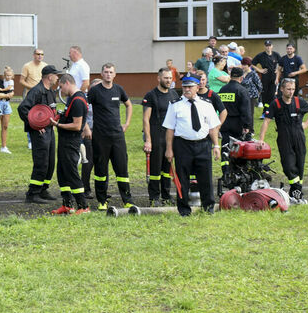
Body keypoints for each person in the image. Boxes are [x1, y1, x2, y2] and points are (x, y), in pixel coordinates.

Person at [163, 75, 221, 216]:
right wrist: (169, 149)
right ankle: (184, 210)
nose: (187, 89)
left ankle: (208, 207)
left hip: (203, 144)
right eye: (184, 87)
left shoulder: (207, 104)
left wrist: (216, 146)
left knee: (206, 178)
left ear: (197, 87)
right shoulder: (175, 105)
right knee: (182, 179)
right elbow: (170, 129)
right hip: (183, 145)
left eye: (190, 87)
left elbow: (213, 127)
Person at [259, 78, 308, 204]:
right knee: (288, 166)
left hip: (299, 137)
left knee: (300, 166)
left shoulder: (298, 101)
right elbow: (266, 122)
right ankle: (297, 192)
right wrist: (261, 140)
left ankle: (296, 194)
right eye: (288, 89)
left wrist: (306, 124)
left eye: (293, 89)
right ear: (281, 89)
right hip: (284, 138)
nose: (291, 92)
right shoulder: (275, 104)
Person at [86, 63, 134, 208]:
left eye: (110, 72)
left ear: (114, 74)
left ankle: (127, 200)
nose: (108, 74)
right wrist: (87, 127)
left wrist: (126, 124)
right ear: (101, 74)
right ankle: (102, 201)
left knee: (122, 169)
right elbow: (84, 108)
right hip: (100, 136)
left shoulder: (119, 89)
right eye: (106, 72)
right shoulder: (95, 91)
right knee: (101, 170)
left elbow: (129, 105)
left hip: (117, 136)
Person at [18, 64, 60, 203]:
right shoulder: (36, 91)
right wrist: (34, 125)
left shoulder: (49, 91)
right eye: (56, 75)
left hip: (49, 131)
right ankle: (33, 193)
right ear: (49, 76)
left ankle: (43, 189)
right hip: (39, 133)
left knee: (50, 162)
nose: (57, 77)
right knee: (41, 162)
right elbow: (23, 108)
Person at [50, 73, 90, 214]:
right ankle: (67, 205)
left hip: (71, 142)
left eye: (61, 87)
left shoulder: (78, 100)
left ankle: (83, 206)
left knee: (71, 173)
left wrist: (58, 124)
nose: (60, 90)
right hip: (64, 141)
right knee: (62, 172)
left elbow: (77, 126)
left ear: (67, 83)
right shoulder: (71, 99)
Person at [141, 67, 179, 207]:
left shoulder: (174, 94)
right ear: (159, 78)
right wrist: (148, 140)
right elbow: (146, 119)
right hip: (156, 135)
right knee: (155, 170)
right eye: (165, 78)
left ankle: (166, 195)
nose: (168, 80)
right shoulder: (151, 95)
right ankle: (154, 197)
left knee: (167, 169)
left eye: (170, 78)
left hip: (170, 136)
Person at [217, 67, 254, 176]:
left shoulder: (222, 89)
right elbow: (246, 111)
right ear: (241, 78)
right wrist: (247, 126)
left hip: (224, 123)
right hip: (237, 124)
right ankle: (236, 172)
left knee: (225, 148)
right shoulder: (242, 90)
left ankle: (225, 172)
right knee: (237, 149)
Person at [252, 40, 281, 112]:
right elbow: (252, 64)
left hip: (273, 77)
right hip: (265, 77)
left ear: (272, 46)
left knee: (272, 95)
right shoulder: (260, 55)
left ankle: (269, 110)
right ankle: (266, 110)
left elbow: (281, 65)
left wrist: (277, 74)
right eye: (267, 46)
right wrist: (259, 70)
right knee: (265, 95)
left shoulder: (276, 54)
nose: (268, 47)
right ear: (265, 46)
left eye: (269, 45)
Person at [240, 57, 262, 125]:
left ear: (249, 65)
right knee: (242, 112)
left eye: (245, 65)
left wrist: (257, 94)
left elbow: (259, 86)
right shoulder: (241, 73)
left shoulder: (253, 74)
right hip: (242, 95)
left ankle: (250, 130)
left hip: (251, 96)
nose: (243, 66)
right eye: (242, 64)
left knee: (249, 113)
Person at [0, 66, 15, 153]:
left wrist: (2, 90)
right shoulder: (2, 81)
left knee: (5, 126)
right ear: (4, 75)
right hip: (0, 103)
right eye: (6, 75)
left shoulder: (11, 81)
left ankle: (4, 147)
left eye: (9, 75)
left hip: (7, 103)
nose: (8, 77)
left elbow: (8, 89)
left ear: (12, 76)